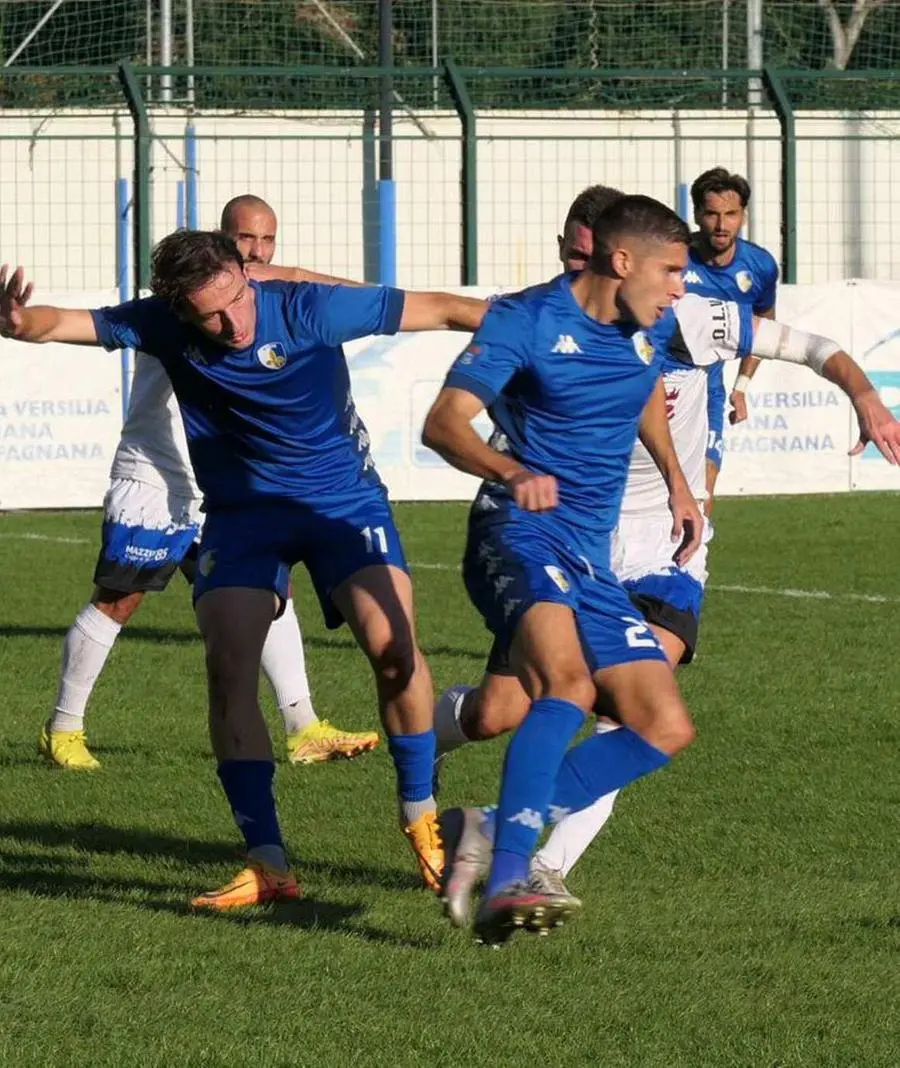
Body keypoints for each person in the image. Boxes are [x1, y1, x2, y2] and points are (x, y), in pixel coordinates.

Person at [422, 194, 900, 945]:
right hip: (519, 531)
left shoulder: (665, 324)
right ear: (622, 263)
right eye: (673, 271)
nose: (686, 286)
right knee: (565, 688)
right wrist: (508, 471)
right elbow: (443, 423)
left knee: (664, 724)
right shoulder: (527, 320)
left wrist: (864, 397)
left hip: (595, 552)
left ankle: (489, 827)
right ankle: (512, 871)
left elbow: (781, 351)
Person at [0, 233, 488, 907]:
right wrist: (22, 324)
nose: (232, 323)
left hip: (341, 505)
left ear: (245, 274)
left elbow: (443, 310)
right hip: (242, 517)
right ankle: (267, 863)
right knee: (228, 666)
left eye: (237, 298)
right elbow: (61, 324)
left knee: (396, 652)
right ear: (180, 310)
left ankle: (421, 818)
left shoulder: (311, 309)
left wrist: (543, 336)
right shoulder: (160, 324)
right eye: (211, 316)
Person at [37, 195, 378, 771]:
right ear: (223, 240)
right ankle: (63, 729)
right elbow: (75, 323)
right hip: (159, 478)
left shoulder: (254, 305)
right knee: (120, 599)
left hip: (222, 489)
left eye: (268, 240)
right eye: (247, 239)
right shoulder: (181, 303)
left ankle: (303, 725)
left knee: (271, 596)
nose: (259, 252)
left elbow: (313, 290)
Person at [687, 167, 780, 508]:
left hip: (709, 383)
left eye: (731, 214)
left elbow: (763, 324)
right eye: (711, 214)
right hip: (657, 383)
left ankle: (694, 560)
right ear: (697, 214)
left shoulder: (759, 266)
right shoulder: (673, 258)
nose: (722, 225)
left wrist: (741, 387)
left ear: (743, 215)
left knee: (704, 489)